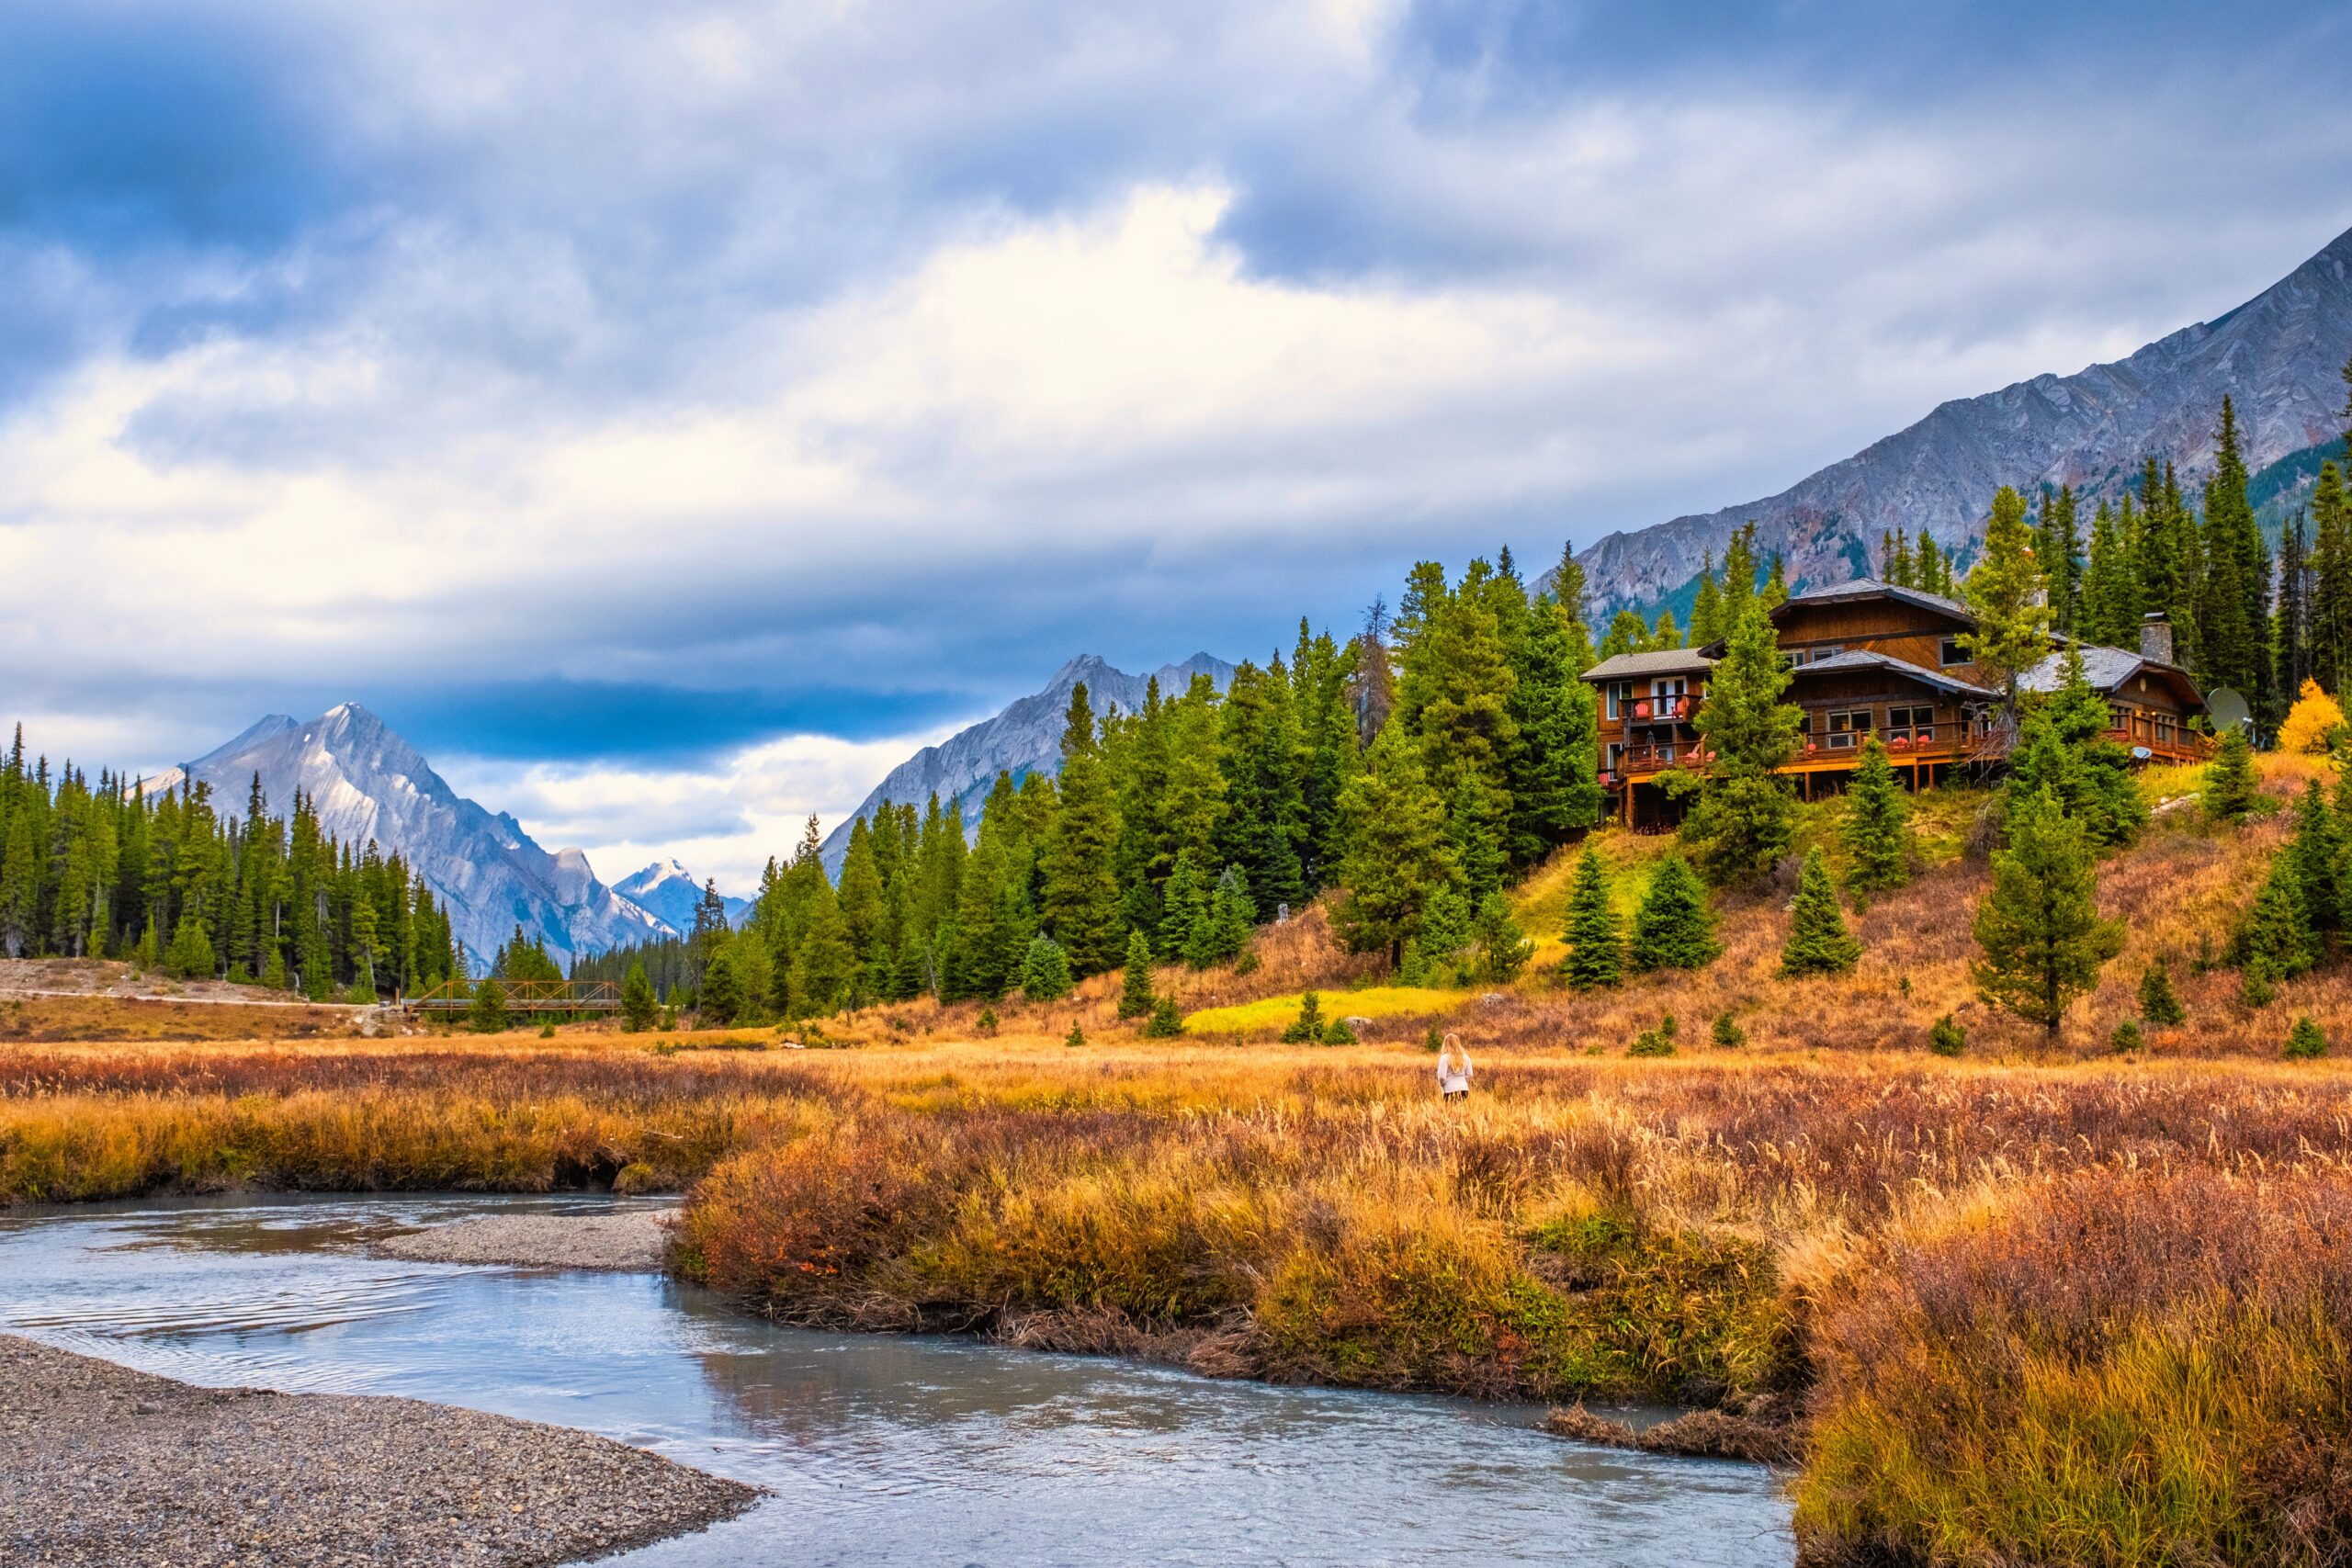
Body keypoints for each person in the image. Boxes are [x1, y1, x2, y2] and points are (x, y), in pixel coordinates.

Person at [1437, 1035, 1472, 1101]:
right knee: (1462, 1111)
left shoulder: (1444, 1058)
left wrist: (1443, 1084)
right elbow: (1470, 1074)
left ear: (1445, 1044)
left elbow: (1441, 1077)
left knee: (1450, 1111)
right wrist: (1461, 1080)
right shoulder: (1466, 1057)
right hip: (1464, 1089)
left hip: (1449, 1090)